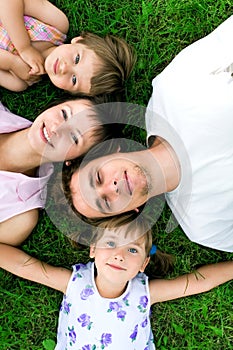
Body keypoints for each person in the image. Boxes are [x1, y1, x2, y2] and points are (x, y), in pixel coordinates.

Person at [63, 15, 233, 252]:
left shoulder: (172, 91)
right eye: (104, 202)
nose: (111, 188)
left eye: (98, 177)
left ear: (110, 150)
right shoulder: (203, 226)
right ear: (129, 212)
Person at [0, 217, 232, 349]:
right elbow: (25, 266)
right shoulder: (73, 282)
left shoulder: (145, 292)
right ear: (93, 249)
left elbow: (197, 282)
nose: (119, 255)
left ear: (144, 263)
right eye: (111, 243)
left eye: (132, 249)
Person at [0, 96, 118, 246]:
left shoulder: (18, 217)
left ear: (72, 160)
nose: (56, 128)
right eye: (64, 114)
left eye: (74, 137)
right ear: (55, 105)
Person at [0, 0, 135, 94]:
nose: (65, 68)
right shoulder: (56, 25)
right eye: (77, 58)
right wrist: (24, 47)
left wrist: (11, 63)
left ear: (68, 91)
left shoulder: (20, 81)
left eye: (74, 79)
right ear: (78, 41)